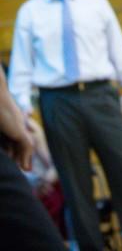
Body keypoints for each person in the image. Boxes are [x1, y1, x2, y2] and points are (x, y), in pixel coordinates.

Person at [8, 0, 122, 251]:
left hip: (100, 94)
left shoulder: (95, 1)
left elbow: (118, 47)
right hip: (57, 101)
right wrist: (21, 110)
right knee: (76, 187)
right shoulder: (30, 11)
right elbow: (22, 65)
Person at [0, 64, 65, 250]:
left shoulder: (33, 128)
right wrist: (17, 129)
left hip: (39, 182)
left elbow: (52, 164)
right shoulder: (24, 126)